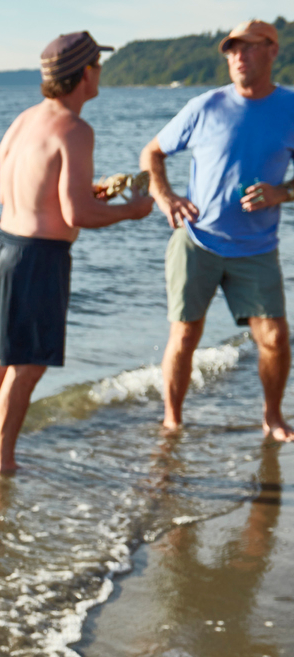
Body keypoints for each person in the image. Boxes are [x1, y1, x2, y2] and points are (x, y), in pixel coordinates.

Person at [0, 31, 154, 474]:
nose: (100, 75)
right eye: (97, 67)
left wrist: (91, 196)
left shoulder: (24, 120)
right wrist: (133, 210)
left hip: (3, 248)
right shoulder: (75, 129)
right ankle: (4, 463)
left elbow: (14, 192)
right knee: (28, 366)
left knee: (0, 358)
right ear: (84, 74)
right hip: (38, 259)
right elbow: (77, 214)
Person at [140, 18, 294, 442]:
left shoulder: (290, 108)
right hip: (196, 241)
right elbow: (152, 152)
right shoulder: (205, 106)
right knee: (185, 335)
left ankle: (273, 417)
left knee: (276, 338)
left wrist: (282, 192)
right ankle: (173, 419)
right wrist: (165, 196)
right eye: (231, 49)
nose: (238, 56)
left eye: (248, 47)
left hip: (256, 247)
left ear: (273, 50)